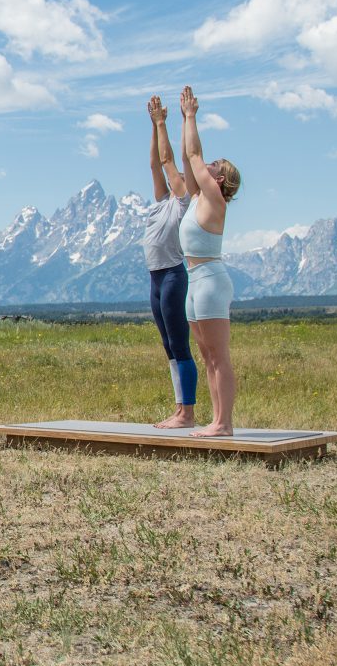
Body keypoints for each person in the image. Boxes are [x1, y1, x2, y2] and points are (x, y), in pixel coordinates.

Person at [179, 86, 242, 437]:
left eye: (213, 166)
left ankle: (224, 423)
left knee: (218, 355)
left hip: (211, 281)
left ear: (219, 180)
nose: (208, 164)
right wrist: (175, 122)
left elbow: (193, 152)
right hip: (195, 280)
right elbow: (188, 160)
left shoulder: (214, 197)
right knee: (207, 356)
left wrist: (191, 116)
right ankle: (217, 420)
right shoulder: (199, 197)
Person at [143, 95, 198, 428]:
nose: (172, 174)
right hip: (155, 278)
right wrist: (153, 126)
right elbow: (154, 164)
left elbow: (166, 159)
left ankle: (187, 412)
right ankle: (179, 408)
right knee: (167, 345)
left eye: (178, 174)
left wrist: (164, 122)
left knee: (179, 342)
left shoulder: (184, 200)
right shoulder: (163, 200)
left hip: (174, 276)